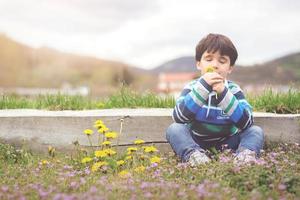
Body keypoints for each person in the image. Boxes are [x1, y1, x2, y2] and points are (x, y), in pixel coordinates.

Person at [166, 33, 264, 166]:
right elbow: (179, 117)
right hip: (196, 141)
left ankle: (243, 159)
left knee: (255, 131)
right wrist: (203, 88)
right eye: (209, 59)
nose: (215, 65)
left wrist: (224, 94)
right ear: (199, 64)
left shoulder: (234, 90)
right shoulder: (192, 88)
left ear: (230, 68)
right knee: (174, 129)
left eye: (222, 61)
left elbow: (246, 123)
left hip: (227, 144)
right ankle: (194, 157)